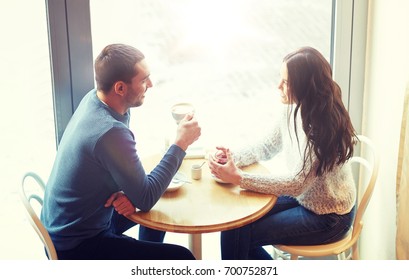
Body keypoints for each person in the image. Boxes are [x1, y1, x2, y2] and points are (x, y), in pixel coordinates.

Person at [41, 43, 201, 260]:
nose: (151, 85)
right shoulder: (109, 131)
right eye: (144, 80)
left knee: (157, 196)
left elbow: (129, 181)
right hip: (78, 244)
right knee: (182, 258)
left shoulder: (95, 99)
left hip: (68, 221)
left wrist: (134, 195)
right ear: (120, 88)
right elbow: (145, 197)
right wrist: (180, 144)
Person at [208, 46, 358, 260]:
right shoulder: (294, 109)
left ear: (306, 86)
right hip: (304, 197)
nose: (278, 86)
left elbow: (296, 183)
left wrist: (238, 178)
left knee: (239, 235)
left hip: (329, 215)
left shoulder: (320, 129)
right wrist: (232, 157)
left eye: (286, 82)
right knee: (235, 223)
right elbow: (266, 146)